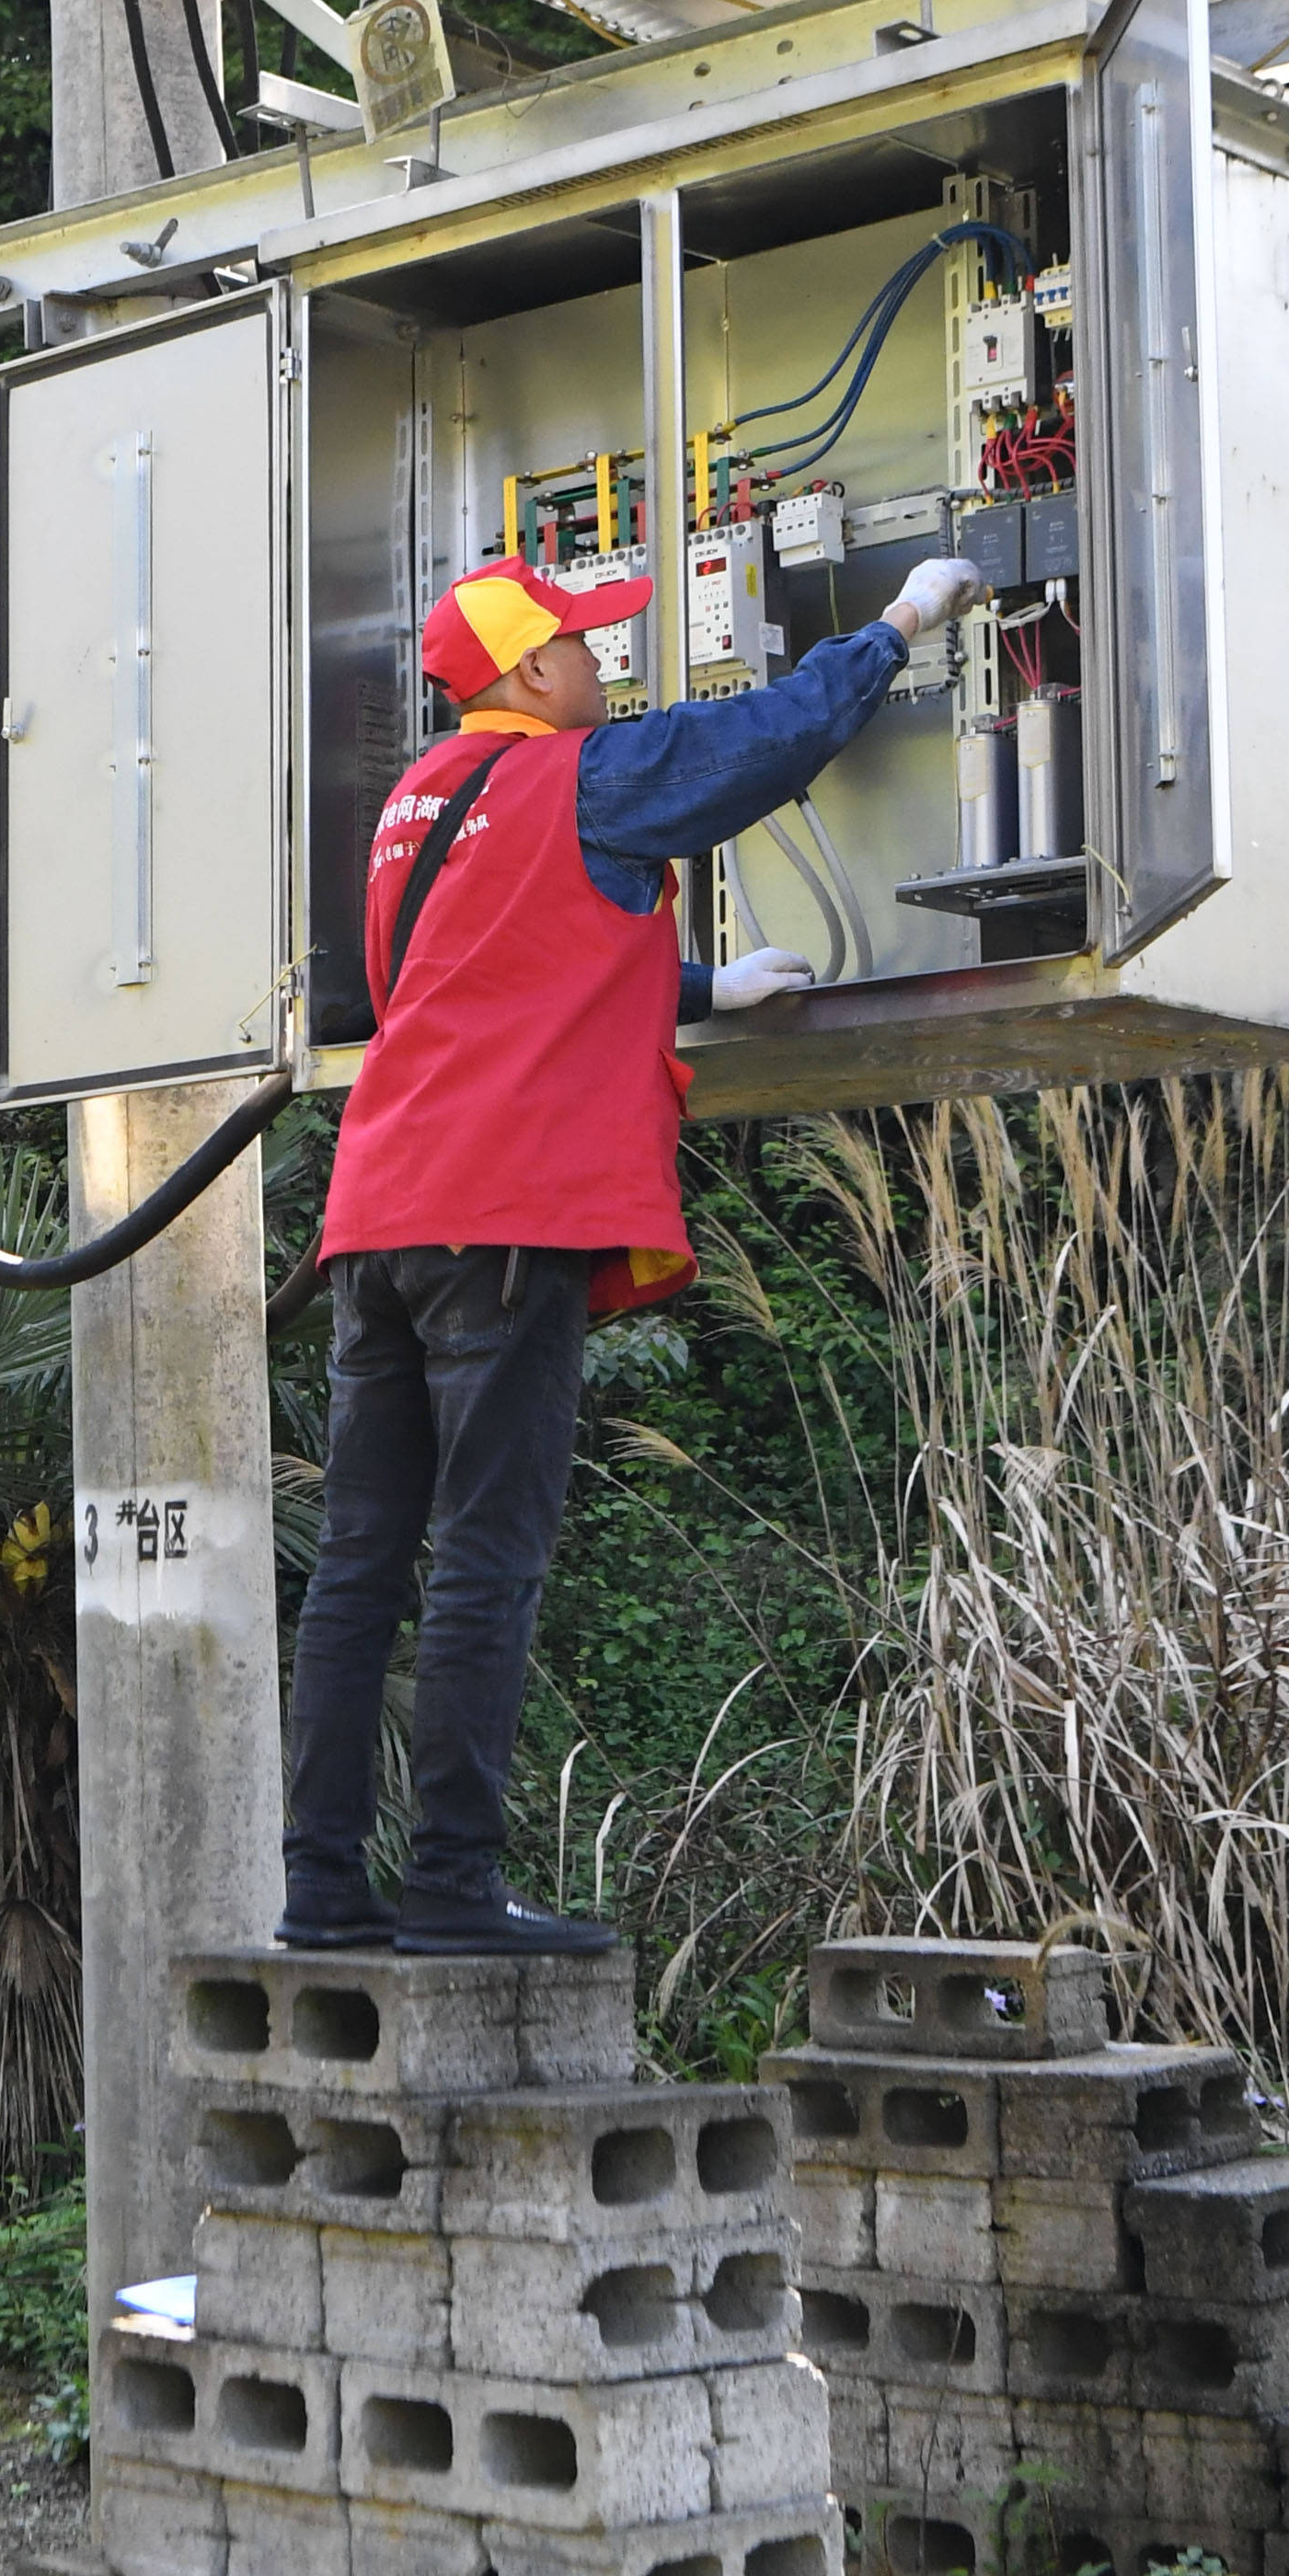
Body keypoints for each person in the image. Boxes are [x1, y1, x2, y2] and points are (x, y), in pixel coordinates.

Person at [280, 544, 984, 1961]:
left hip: (380, 1216)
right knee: (487, 1552)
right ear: (527, 671)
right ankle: (453, 1888)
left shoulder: (414, 809)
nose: (601, 667)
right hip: (504, 1211)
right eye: (583, 648)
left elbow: (495, 965)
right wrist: (903, 620)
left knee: (360, 1565)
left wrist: (710, 986)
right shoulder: (577, 776)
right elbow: (759, 742)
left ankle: (320, 1893)